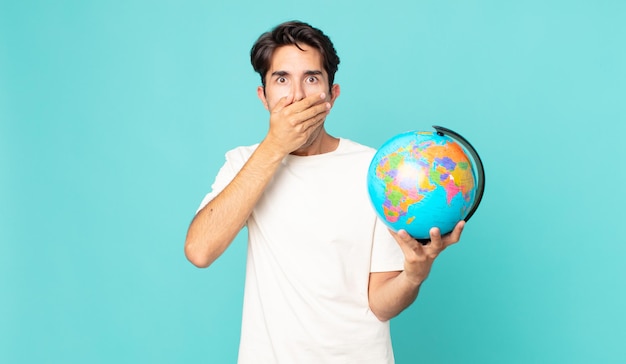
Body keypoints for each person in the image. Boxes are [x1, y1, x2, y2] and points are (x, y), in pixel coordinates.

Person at [184, 20, 465, 364]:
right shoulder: (244, 163)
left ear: (332, 95)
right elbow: (200, 251)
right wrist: (274, 146)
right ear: (264, 95)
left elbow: (380, 303)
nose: (297, 95)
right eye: (281, 79)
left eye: (312, 79)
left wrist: (413, 276)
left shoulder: (374, 171)